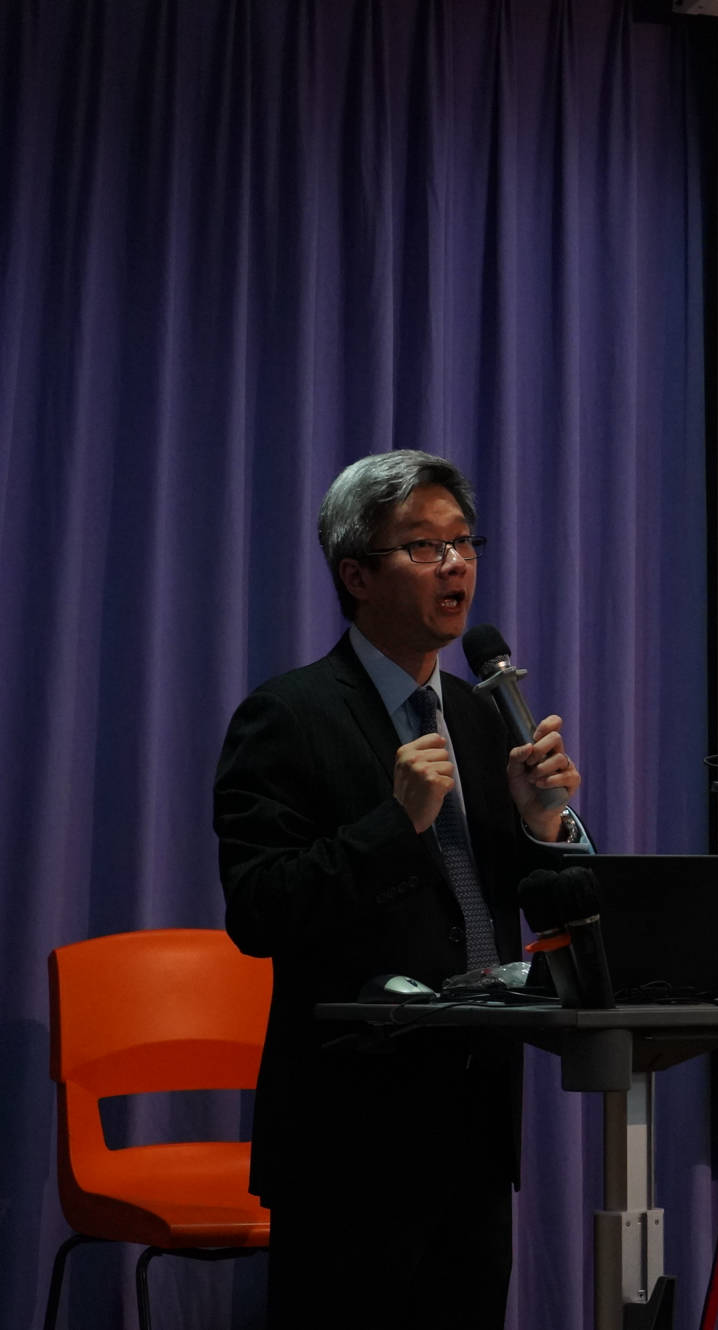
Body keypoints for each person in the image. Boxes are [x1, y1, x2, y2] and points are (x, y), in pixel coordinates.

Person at [215, 450, 583, 1328]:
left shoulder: (479, 714)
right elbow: (260, 910)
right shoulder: (288, 716)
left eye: (464, 542)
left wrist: (542, 825)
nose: (455, 565)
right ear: (356, 575)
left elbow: (506, 901)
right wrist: (395, 822)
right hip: (352, 1134)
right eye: (424, 547)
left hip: (475, 1117)